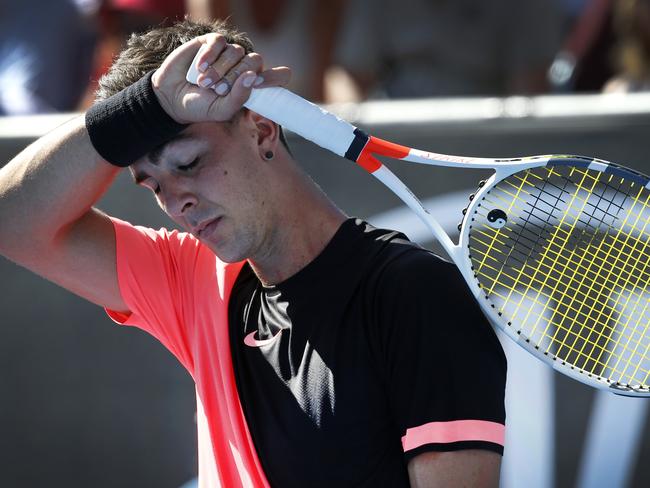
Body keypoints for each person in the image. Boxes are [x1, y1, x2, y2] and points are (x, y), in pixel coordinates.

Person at [0, 19, 506, 487]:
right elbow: (12, 222)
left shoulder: (416, 296)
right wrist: (145, 108)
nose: (177, 202)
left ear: (262, 129)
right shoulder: (195, 281)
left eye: (189, 162)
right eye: (153, 185)